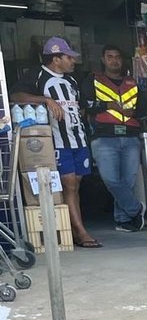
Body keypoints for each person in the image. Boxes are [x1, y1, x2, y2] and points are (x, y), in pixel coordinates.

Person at [11, 37, 101, 248]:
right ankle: (80, 231)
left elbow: (80, 106)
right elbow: (15, 95)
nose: (73, 61)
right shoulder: (37, 75)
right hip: (57, 141)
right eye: (69, 57)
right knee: (68, 183)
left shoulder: (72, 81)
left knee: (75, 184)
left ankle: (74, 229)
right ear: (56, 59)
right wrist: (46, 100)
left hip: (78, 138)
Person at [80, 45, 146, 232]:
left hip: (130, 137)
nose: (114, 60)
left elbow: (144, 109)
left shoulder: (132, 83)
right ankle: (136, 209)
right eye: (110, 57)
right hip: (104, 137)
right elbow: (84, 104)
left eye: (117, 57)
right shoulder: (93, 80)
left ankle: (123, 220)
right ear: (103, 59)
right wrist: (109, 105)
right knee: (110, 179)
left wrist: (133, 112)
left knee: (128, 181)